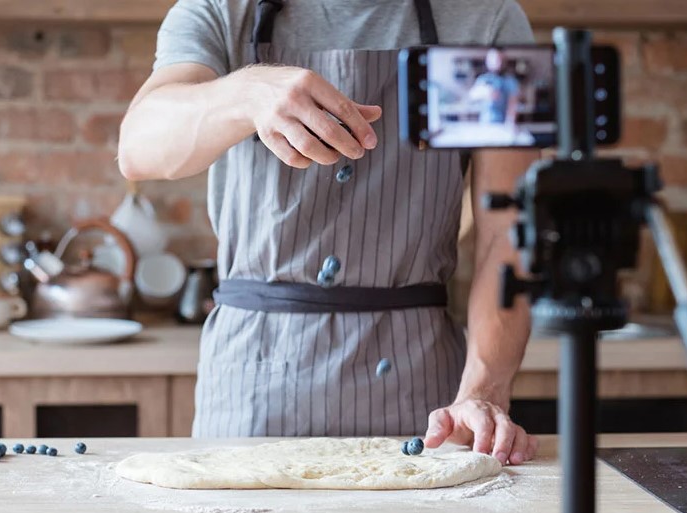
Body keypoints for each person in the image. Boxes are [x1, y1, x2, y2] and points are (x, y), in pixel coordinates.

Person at [119, 0, 539, 466]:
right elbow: (139, 146)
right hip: (251, 389)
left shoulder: (486, 19)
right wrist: (246, 93)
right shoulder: (220, 11)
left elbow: (507, 234)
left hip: (426, 402)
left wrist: (483, 393)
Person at [469, 49, 521, 127]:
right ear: (488, 61)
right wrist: (484, 92)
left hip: (504, 124)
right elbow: (471, 96)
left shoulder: (510, 81)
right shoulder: (483, 79)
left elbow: (513, 105)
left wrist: (510, 123)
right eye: (494, 59)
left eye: (500, 59)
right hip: (485, 123)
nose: (498, 63)